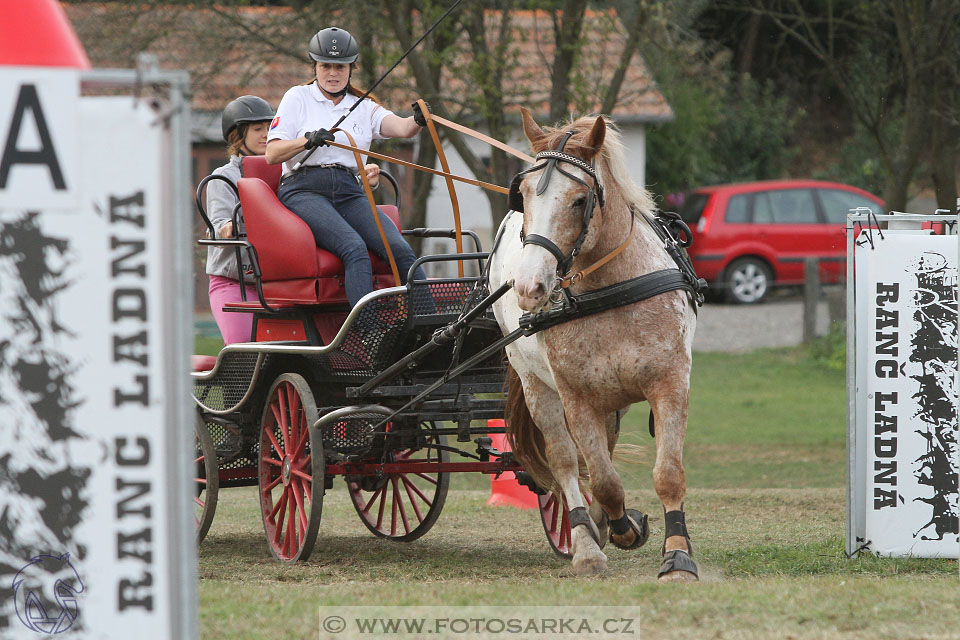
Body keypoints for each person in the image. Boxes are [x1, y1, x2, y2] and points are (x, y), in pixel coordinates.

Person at [265, 26, 429, 309]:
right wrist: (306, 141)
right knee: (354, 249)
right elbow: (271, 153)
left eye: (340, 67)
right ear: (314, 66)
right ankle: (368, 335)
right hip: (304, 189)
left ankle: (429, 326)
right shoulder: (297, 97)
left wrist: (418, 118)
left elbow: (402, 128)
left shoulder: (363, 106)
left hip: (349, 191)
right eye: (325, 66)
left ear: (350, 69)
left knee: (401, 250)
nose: (332, 73)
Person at [204, 95, 275, 344]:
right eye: (258, 129)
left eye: (269, 128)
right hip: (234, 281)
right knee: (243, 347)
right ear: (237, 135)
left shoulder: (286, 171)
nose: (266, 134)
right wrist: (226, 227)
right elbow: (217, 222)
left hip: (275, 284)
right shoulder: (223, 177)